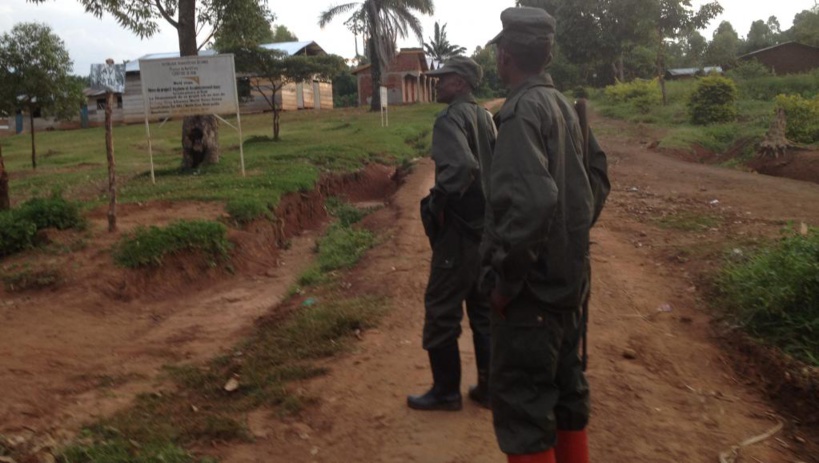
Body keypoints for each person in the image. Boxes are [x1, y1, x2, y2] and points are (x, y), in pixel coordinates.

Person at [480, 7, 610, 463]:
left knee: (524, 410)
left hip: (533, 296)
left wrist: (506, 282)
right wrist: (568, 241)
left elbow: (531, 204)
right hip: (571, 285)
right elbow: (596, 180)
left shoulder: (520, 111)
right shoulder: (563, 107)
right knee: (566, 394)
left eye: (499, 49)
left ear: (506, 56)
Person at [408, 56, 498, 411]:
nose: (436, 83)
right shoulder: (486, 118)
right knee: (482, 309)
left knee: (442, 309)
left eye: (442, 79)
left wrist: (439, 204)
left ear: (460, 83)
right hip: (486, 230)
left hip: (459, 232)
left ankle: (445, 392)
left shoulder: (449, 119)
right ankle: (489, 389)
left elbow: (461, 167)